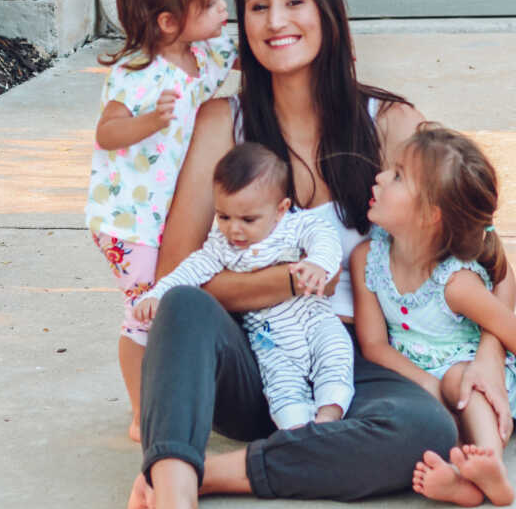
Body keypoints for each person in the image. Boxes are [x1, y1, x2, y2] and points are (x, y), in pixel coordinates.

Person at [126, 0, 516, 509]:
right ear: (243, 26)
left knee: (423, 433)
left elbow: (481, 249)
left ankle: (201, 475)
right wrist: (286, 281)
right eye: (256, 6)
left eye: (294, 2)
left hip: (367, 364)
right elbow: (177, 279)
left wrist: (489, 351)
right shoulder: (225, 123)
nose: (276, 21)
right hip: (256, 360)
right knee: (182, 310)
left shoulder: (389, 123)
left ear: (328, 13)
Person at [352, 122, 516, 508]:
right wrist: (425, 383)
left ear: (429, 215)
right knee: (437, 395)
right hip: (418, 375)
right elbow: (374, 345)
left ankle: (491, 465)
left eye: (397, 176)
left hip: (473, 375)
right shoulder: (368, 259)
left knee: (463, 382)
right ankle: (463, 481)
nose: (379, 177)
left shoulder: (456, 284)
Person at [85, 0, 237, 440]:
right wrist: (149, 121)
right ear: (169, 22)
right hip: (127, 222)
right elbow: (107, 133)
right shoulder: (137, 76)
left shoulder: (206, 54)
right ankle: (139, 409)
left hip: (163, 217)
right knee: (145, 311)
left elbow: (249, 55)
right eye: (211, 3)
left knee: (166, 301)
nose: (223, 10)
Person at [134, 142, 354, 428]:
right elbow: (190, 270)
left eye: (248, 219)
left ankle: (328, 416)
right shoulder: (221, 247)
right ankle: (298, 430)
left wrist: (318, 263)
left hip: (315, 319)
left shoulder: (295, 226)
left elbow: (324, 238)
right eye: (223, 216)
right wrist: (157, 294)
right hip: (269, 337)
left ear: (280, 209)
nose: (234, 229)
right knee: (280, 385)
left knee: (336, 353)